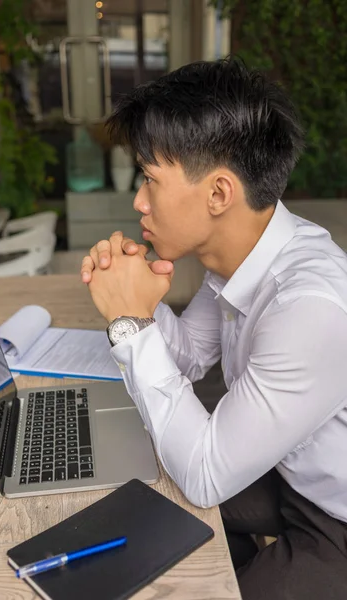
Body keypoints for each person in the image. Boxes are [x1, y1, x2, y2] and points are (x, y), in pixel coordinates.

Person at [80, 58, 347, 599]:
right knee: (121, 503)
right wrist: (143, 303)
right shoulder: (242, 254)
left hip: (335, 516)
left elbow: (205, 474)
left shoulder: (308, 307)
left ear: (219, 194)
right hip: (284, 472)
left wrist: (130, 326)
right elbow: (189, 360)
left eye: (150, 179)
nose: (138, 201)